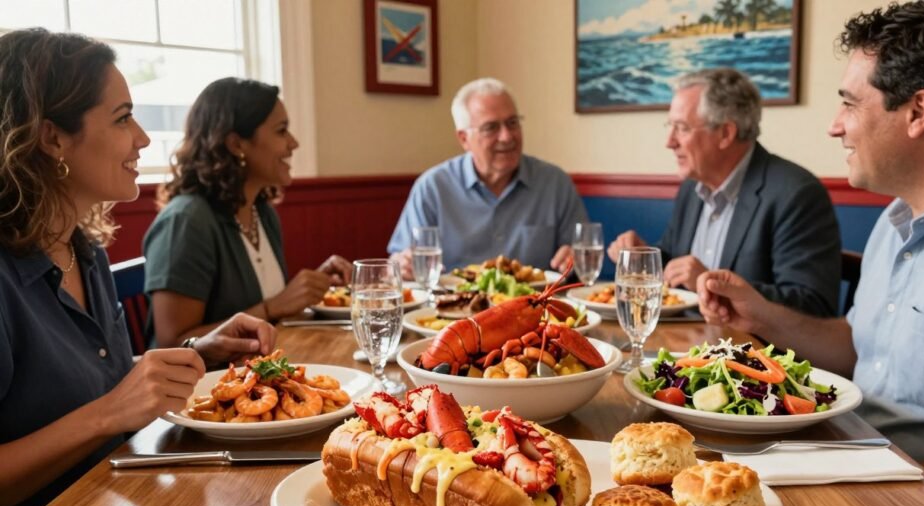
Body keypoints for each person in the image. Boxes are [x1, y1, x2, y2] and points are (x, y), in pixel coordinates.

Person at [697, 0, 924, 506]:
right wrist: (760, 313)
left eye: (850, 103)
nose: (835, 125)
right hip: (862, 469)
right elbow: (861, 349)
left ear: (918, 112)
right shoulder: (901, 215)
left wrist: (870, 489)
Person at [0, 29, 276, 506]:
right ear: (52, 138)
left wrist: (201, 350)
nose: (143, 138)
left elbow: (86, 381)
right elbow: (105, 407)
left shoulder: (84, 249)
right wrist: (108, 414)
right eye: (123, 117)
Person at [607, 69, 841, 317]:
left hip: (752, 353)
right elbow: (677, 270)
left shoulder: (796, 194)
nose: (670, 141)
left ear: (725, 133)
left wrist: (711, 285)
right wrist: (644, 259)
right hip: (686, 343)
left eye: (682, 128)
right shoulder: (691, 188)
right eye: (670, 127)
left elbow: (812, 306)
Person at [143, 78, 352, 348]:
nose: (294, 143)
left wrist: (312, 288)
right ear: (236, 144)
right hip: (207, 386)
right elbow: (172, 343)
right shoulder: (186, 222)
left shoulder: (261, 212)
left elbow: (268, 306)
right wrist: (273, 307)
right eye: (281, 131)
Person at [387, 78, 588, 279]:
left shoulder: (555, 183)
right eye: (491, 127)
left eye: (512, 123)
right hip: (454, 307)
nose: (507, 136)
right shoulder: (433, 187)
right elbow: (398, 262)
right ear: (464, 139)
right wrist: (401, 265)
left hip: (536, 307)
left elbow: (581, 257)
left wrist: (575, 258)